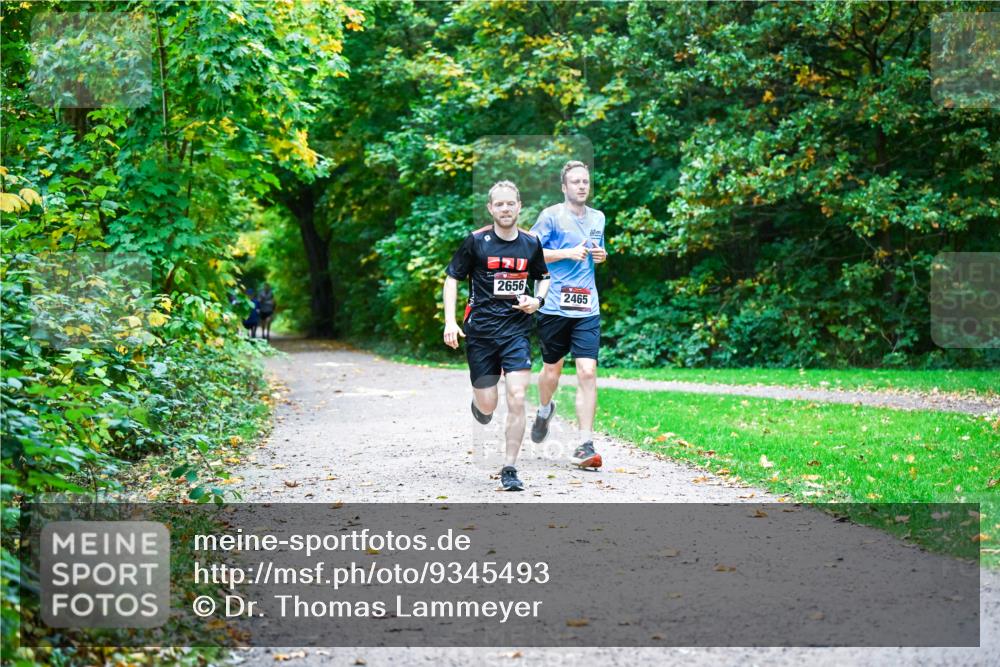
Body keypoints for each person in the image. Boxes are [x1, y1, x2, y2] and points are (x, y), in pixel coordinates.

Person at [443, 180, 550, 491]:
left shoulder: (531, 243)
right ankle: (480, 406)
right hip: (481, 333)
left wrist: (537, 301)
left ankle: (510, 468)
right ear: (491, 208)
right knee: (489, 404)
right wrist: (450, 321)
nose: (505, 209)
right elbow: (452, 278)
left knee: (517, 398)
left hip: (516, 331)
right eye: (499, 204)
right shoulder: (476, 242)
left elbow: (543, 277)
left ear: (519, 207)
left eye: (510, 203)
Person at [529, 160, 608, 469]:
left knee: (587, 372)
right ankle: (545, 408)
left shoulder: (598, 218)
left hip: (587, 307)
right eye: (575, 181)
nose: (581, 186)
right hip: (554, 306)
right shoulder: (550, 217)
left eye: (585, 181)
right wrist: (565, 253)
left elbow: (595, 251)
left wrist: (601, 255)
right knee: (552, 372)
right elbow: (530, 252)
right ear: (564, 187)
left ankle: (585, 443)